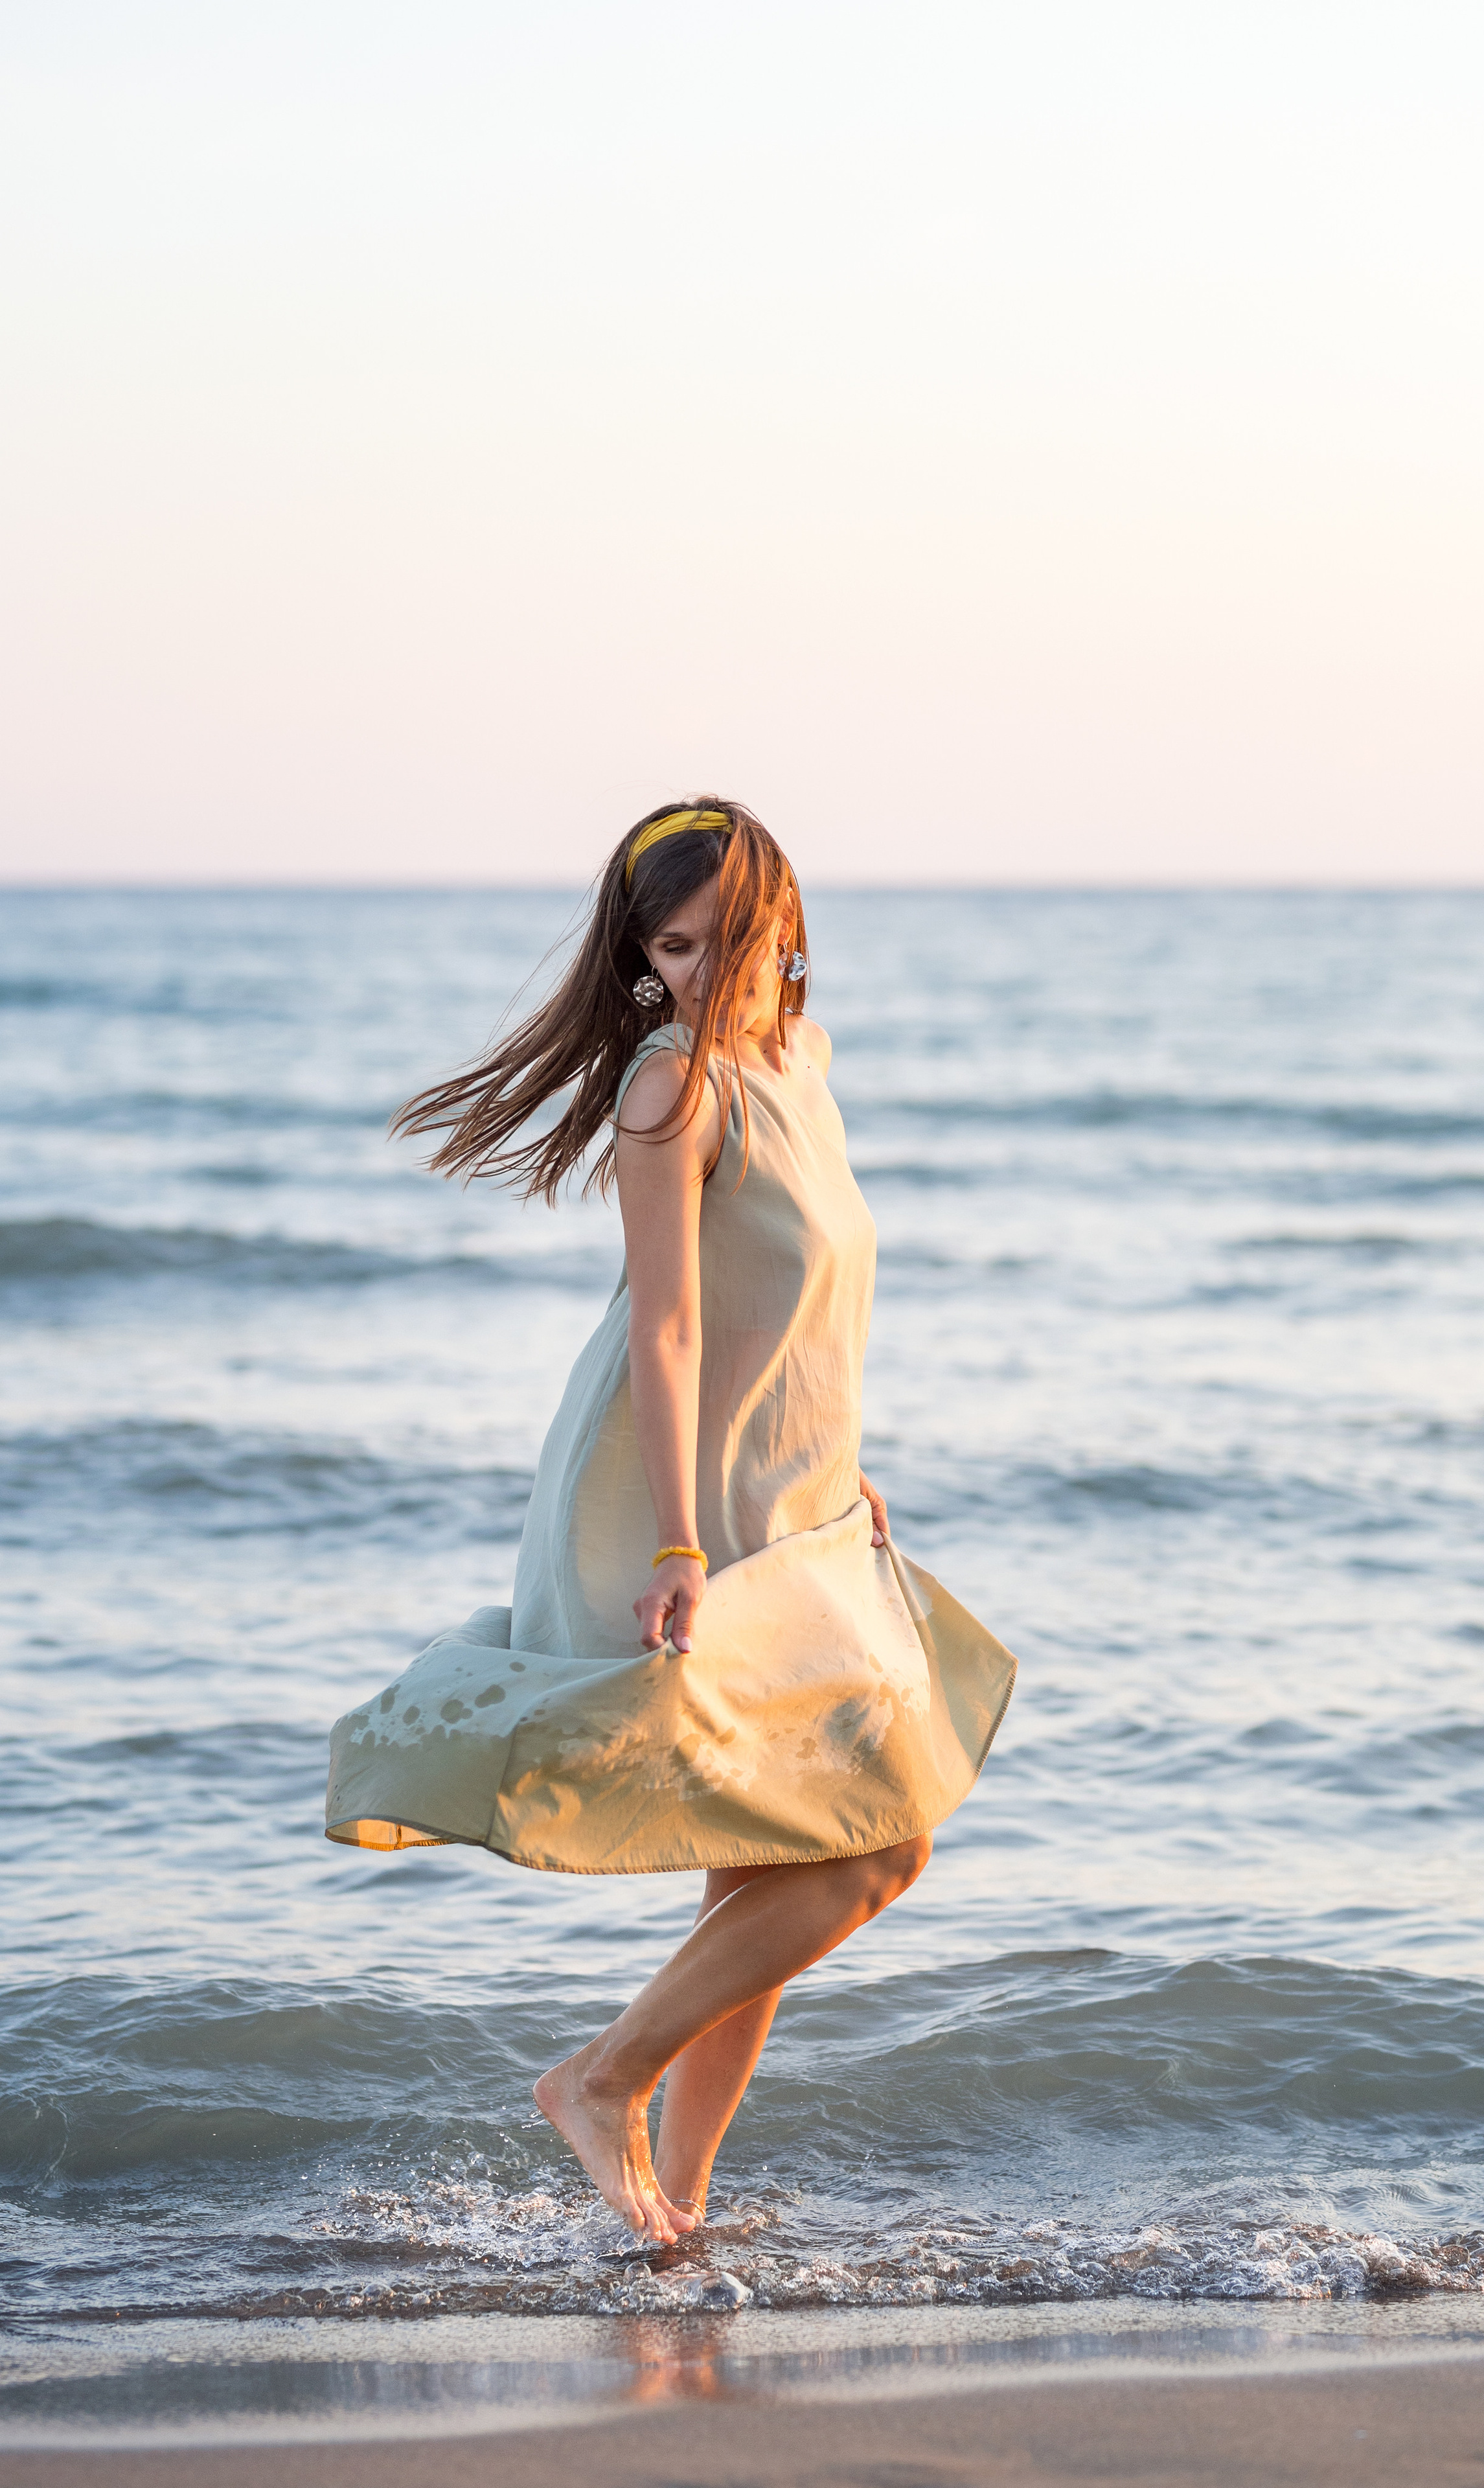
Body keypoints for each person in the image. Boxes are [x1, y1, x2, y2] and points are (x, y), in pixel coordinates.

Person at [325, 800, 1016, 2243]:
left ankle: (676, 2210)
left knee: (775, 1864)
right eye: (676, 947)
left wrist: (841, 1462)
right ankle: (598, 2081)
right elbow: (671, 1333)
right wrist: (680, 1549)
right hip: (683, 1496)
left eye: (735, 938)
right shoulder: (671, 1091)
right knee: (873, 1848)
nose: (708, 971)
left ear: (788, 928)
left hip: (797, 1491)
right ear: (641, 961)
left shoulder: (799, 1069)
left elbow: (801, 1302)